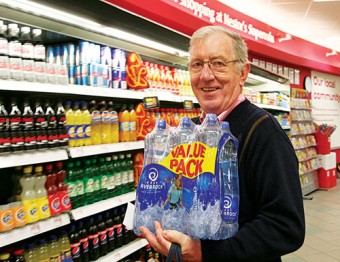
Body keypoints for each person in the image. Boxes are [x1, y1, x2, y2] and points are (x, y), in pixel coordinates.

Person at [139, 25, 305, 261]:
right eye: (197, 64)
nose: (206, 75)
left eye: (218, 63)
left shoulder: (263, 131)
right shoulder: (191, 130)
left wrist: (206, 253)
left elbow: (286, 226)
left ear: (243, 72)